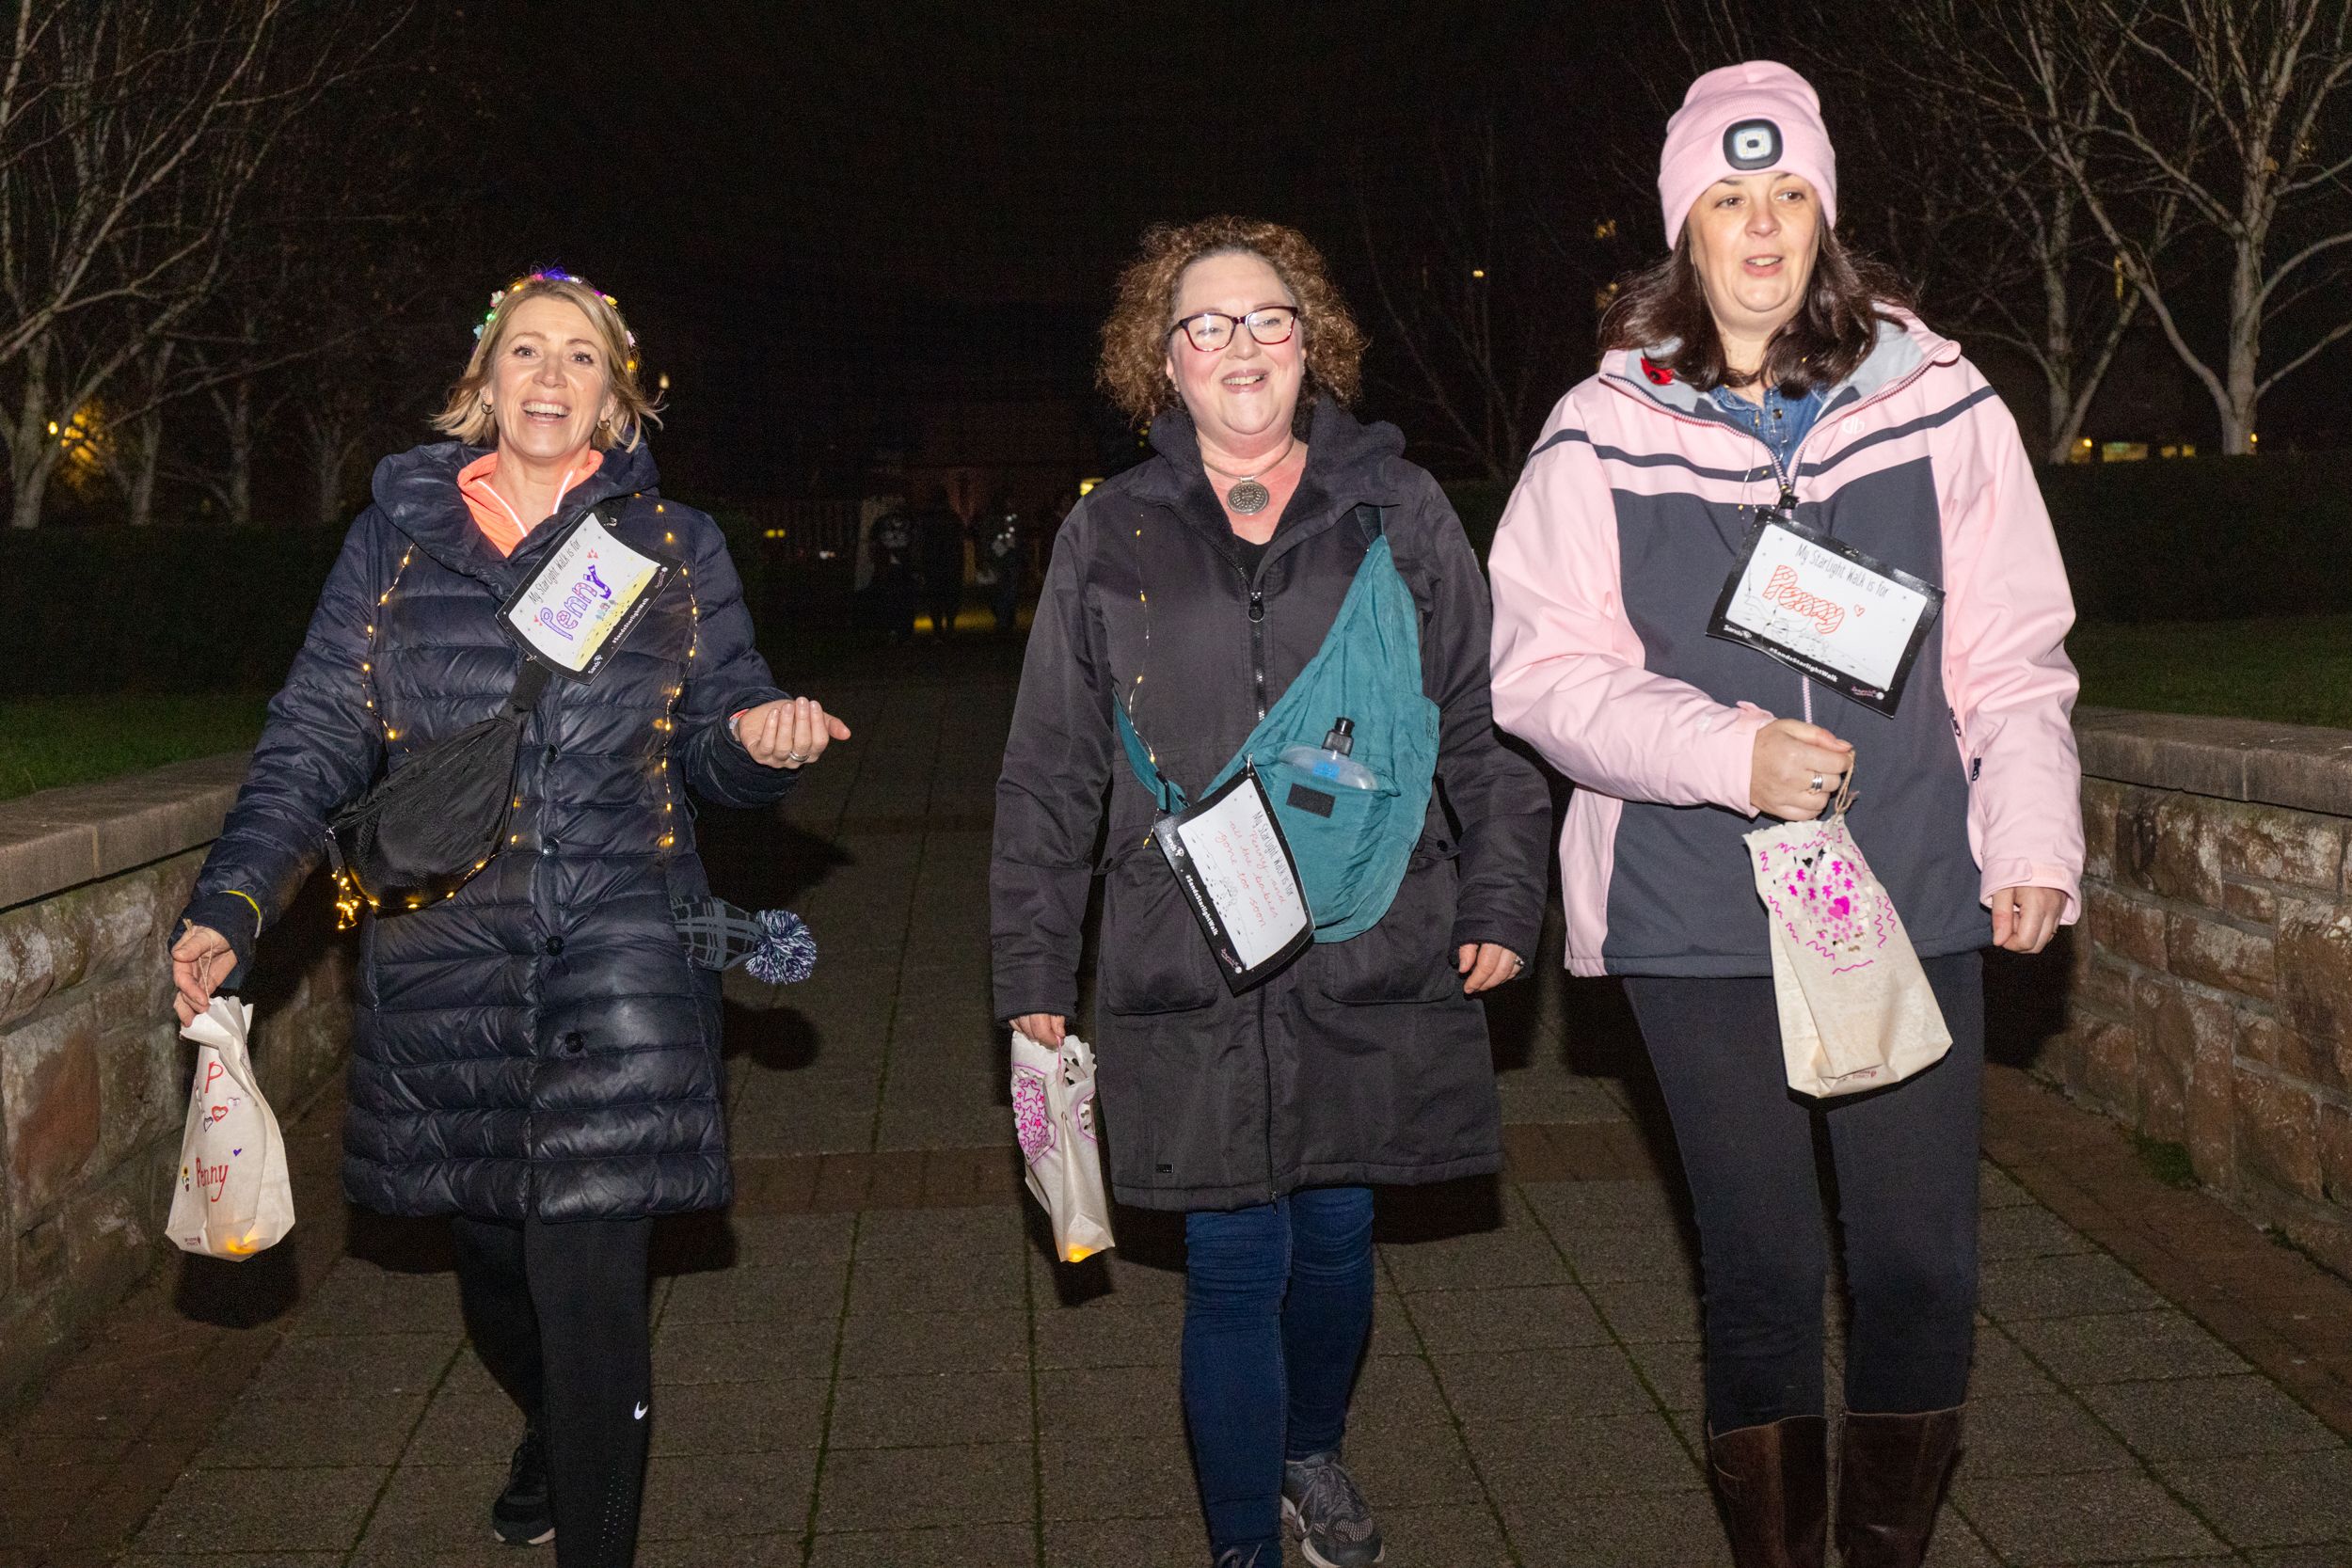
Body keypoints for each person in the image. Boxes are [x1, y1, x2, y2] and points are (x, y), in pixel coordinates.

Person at [1486, 63, 2083, 1568]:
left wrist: (2030, 832)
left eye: (1791, 197)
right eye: (1730, 201)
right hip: (1696, 896)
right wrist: (1724, 749)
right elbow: (1540, 673)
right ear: (1685, 227)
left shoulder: (1939, 397)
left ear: (1827, 216)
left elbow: (2011, 647)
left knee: (1919, 1266)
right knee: (1759, 1270)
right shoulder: (1600, 425)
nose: (1763, 230)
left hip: (1911, 883)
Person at [166, 271, 850, 1568]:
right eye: (523, 351)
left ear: (617, 394)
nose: (548, 374)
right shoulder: (394, 542)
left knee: (591, 1277)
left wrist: (762, 743)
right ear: (480, 387)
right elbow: (315, 737)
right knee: (496, 1261)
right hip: (446, 951)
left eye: (579, 356)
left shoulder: (671, 546)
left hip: (625, 952)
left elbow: (717, 733)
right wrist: (233, 901)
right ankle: (547, 1416)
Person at [993, 216, 1551, 1568]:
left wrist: (1503, 889)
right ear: (1161, 363)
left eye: (1269, 320)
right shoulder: (1104, 530)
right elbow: (1053, 767)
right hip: (1182, 943)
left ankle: (1311, 1444)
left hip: (1372, 927)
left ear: (1313, 349)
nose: (1241, 345)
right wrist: (1030, 977)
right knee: (1236, 1257)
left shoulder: (1398, 509)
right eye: (1208, 325)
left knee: (1341, 1229)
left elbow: (1480, 709)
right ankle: (1244, 1538)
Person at [914, 485, 969, 637]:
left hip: (933, 562)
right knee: (950, 596)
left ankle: (938, 628)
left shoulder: (926, 518)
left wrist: (919, 563)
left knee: (935, 596)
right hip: (950, 562)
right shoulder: (952, 517)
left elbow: (919, 540)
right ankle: (949, 626)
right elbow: (960, 538)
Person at [980, 505, 1026, 633]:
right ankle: (1003, 619)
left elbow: (1017, 545)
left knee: (1009, 593)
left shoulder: (1013, 525)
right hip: (1000, 564)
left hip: (1010, 564)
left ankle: (1006, 620)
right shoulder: (995, 527)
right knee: (998, 593)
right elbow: (993, 545)